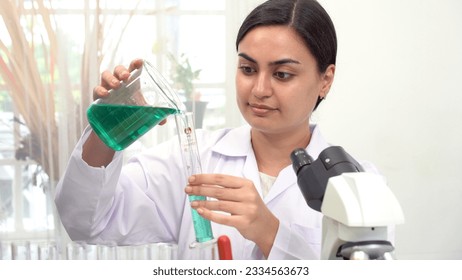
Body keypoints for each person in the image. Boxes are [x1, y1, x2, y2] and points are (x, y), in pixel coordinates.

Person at [55, 0, 379, 260]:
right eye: (248, 69)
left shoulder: (360, 185)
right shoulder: (193, 158)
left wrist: (270, 232)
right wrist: (107, 131)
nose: (260, 89)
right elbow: (86, 222)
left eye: (282, 74)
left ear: (325, 79)